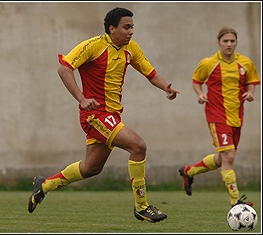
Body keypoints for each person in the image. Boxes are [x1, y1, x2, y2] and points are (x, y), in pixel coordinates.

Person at [27, 7, 179, 223]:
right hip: (95, 115)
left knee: (91, 168)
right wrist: (81, 98)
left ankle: (45, 185)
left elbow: (149, 72)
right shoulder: (94, 46)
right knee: (138, 146)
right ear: (112, 28)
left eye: (132, 27)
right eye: (127, 27)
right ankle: (142, 206)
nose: (131, 32)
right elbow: (64, 69)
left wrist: (166, 88)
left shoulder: (130, 49)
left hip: (112, 116)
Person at [178, 26, 260, 207]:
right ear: (219, 43)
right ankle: (235, 202)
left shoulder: (245, 63)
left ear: (236, 42)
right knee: (229, 157)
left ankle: (189, 172)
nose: (229, 44)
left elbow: (251, 82)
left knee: (223, 158)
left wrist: (251, 93)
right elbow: (196, 81)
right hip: (216, 114)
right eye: (225, 41)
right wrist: (200, 94)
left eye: (232, 41)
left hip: (237, 115)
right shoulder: (209, 63)